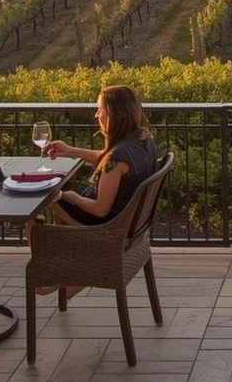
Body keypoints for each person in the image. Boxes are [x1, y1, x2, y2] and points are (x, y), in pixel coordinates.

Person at [33, 85, 160, 296]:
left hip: (106, 225)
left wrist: (69, 197)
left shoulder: (117, 159)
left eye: (100, 109)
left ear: (115, 115)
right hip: (128, 223)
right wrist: (71, 151)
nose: (96, 114)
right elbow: (110, 159)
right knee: (53, 196)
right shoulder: (143, 139)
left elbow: (100, 209)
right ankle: (74, 274)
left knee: (35, 203)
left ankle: (48, 275)